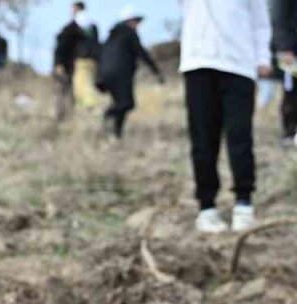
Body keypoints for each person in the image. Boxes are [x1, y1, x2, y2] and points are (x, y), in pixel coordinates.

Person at [180, 0, 272, 233]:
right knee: (203, 140)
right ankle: (207, 207)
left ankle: (243, 204)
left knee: (240, 137)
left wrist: (263, 58)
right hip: (198, 63)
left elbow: (261, 23)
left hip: (240, 65)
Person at [97, 6, 164, 139]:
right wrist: (156, 71)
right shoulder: (129, 33)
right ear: (129, 21)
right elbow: (141, 53)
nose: (137, 25)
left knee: (120, 102)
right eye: (135, 21)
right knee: (127, 103)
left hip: (105, 75)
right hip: (121, 75)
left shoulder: (111, 35)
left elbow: (100, 53)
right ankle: (108, 115)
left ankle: (116, 134)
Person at [53, 6, 88, 120]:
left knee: (69, 92)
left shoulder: (78, 30)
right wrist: (59, 64)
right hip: (63, 66)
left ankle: (69, 117)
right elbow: (60, 48)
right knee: (61, 92)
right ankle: (60, 117)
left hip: (71, 66)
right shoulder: (69, 30)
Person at [71, 3, 104, 110]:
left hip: (82, 58)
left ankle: (89, 106)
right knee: (88, 82)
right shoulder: (93, 24)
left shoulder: (77, 24)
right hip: (93, 59)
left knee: (82, 84)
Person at [273, 0, 296, 144]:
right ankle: (290, 131)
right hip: (291, 51)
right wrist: (285, 47)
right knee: (292, 91)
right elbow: (280, 19)